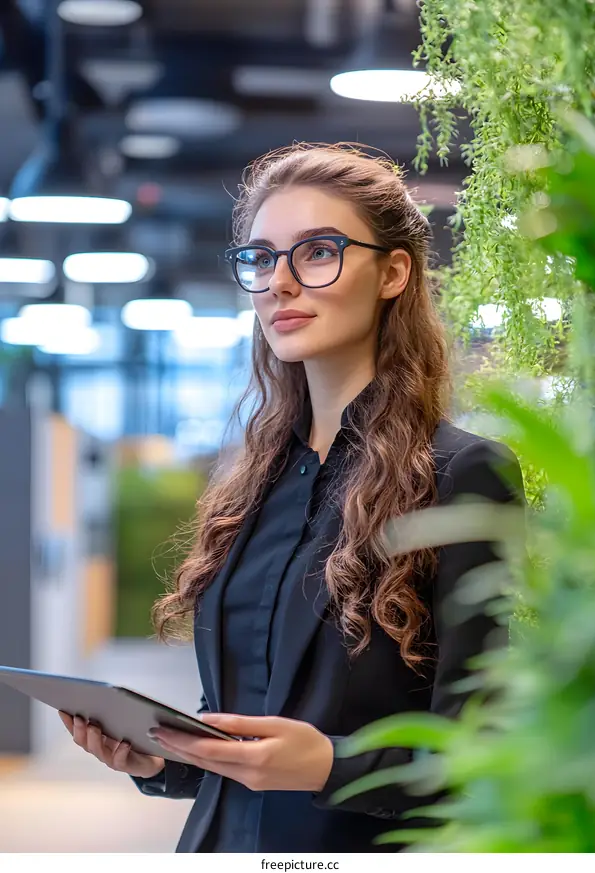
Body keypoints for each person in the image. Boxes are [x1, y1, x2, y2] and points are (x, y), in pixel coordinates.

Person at [59, 143, 525, 853]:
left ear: (393, 273)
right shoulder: (255, 480)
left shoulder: (462, 474)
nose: (279, 281)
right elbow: (239, 726)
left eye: (317, 252)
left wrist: (334, 765)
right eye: (261, 257)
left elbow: (485, 753)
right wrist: (159, 759)